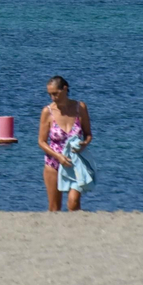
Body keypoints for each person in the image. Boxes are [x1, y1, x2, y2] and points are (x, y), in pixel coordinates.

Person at [38, 75, 92, 211]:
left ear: (65, 89)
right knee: (54, 207)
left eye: (55, 93)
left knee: (74, 202)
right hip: (54, 162)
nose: (53, 98)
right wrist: (59, 157)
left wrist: (84, 144)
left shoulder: (80, 108)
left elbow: (88, 134)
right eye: (50, 94)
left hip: (75, 162)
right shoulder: (48, 111)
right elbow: (41, 141)